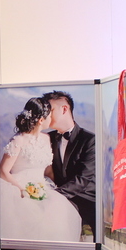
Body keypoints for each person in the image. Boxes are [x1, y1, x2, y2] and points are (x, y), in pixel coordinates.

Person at [0, 97, 81, 242]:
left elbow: (48, 170)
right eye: (49, 116)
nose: (52, 119)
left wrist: (58, 186)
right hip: (18, 188)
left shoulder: (47, 139)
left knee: (57, 212)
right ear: (41, 120)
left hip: (42, 186)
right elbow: (3, 171)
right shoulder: (18, 140)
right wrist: (22, 189)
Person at [42, 90, 96, 238]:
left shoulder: (89, 140)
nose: (46, 115)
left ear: (64, 109)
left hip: (86, 201)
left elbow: (83, 178)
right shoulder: (47, 138)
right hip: (58, 202)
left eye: (50, 110)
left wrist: (55, 195)